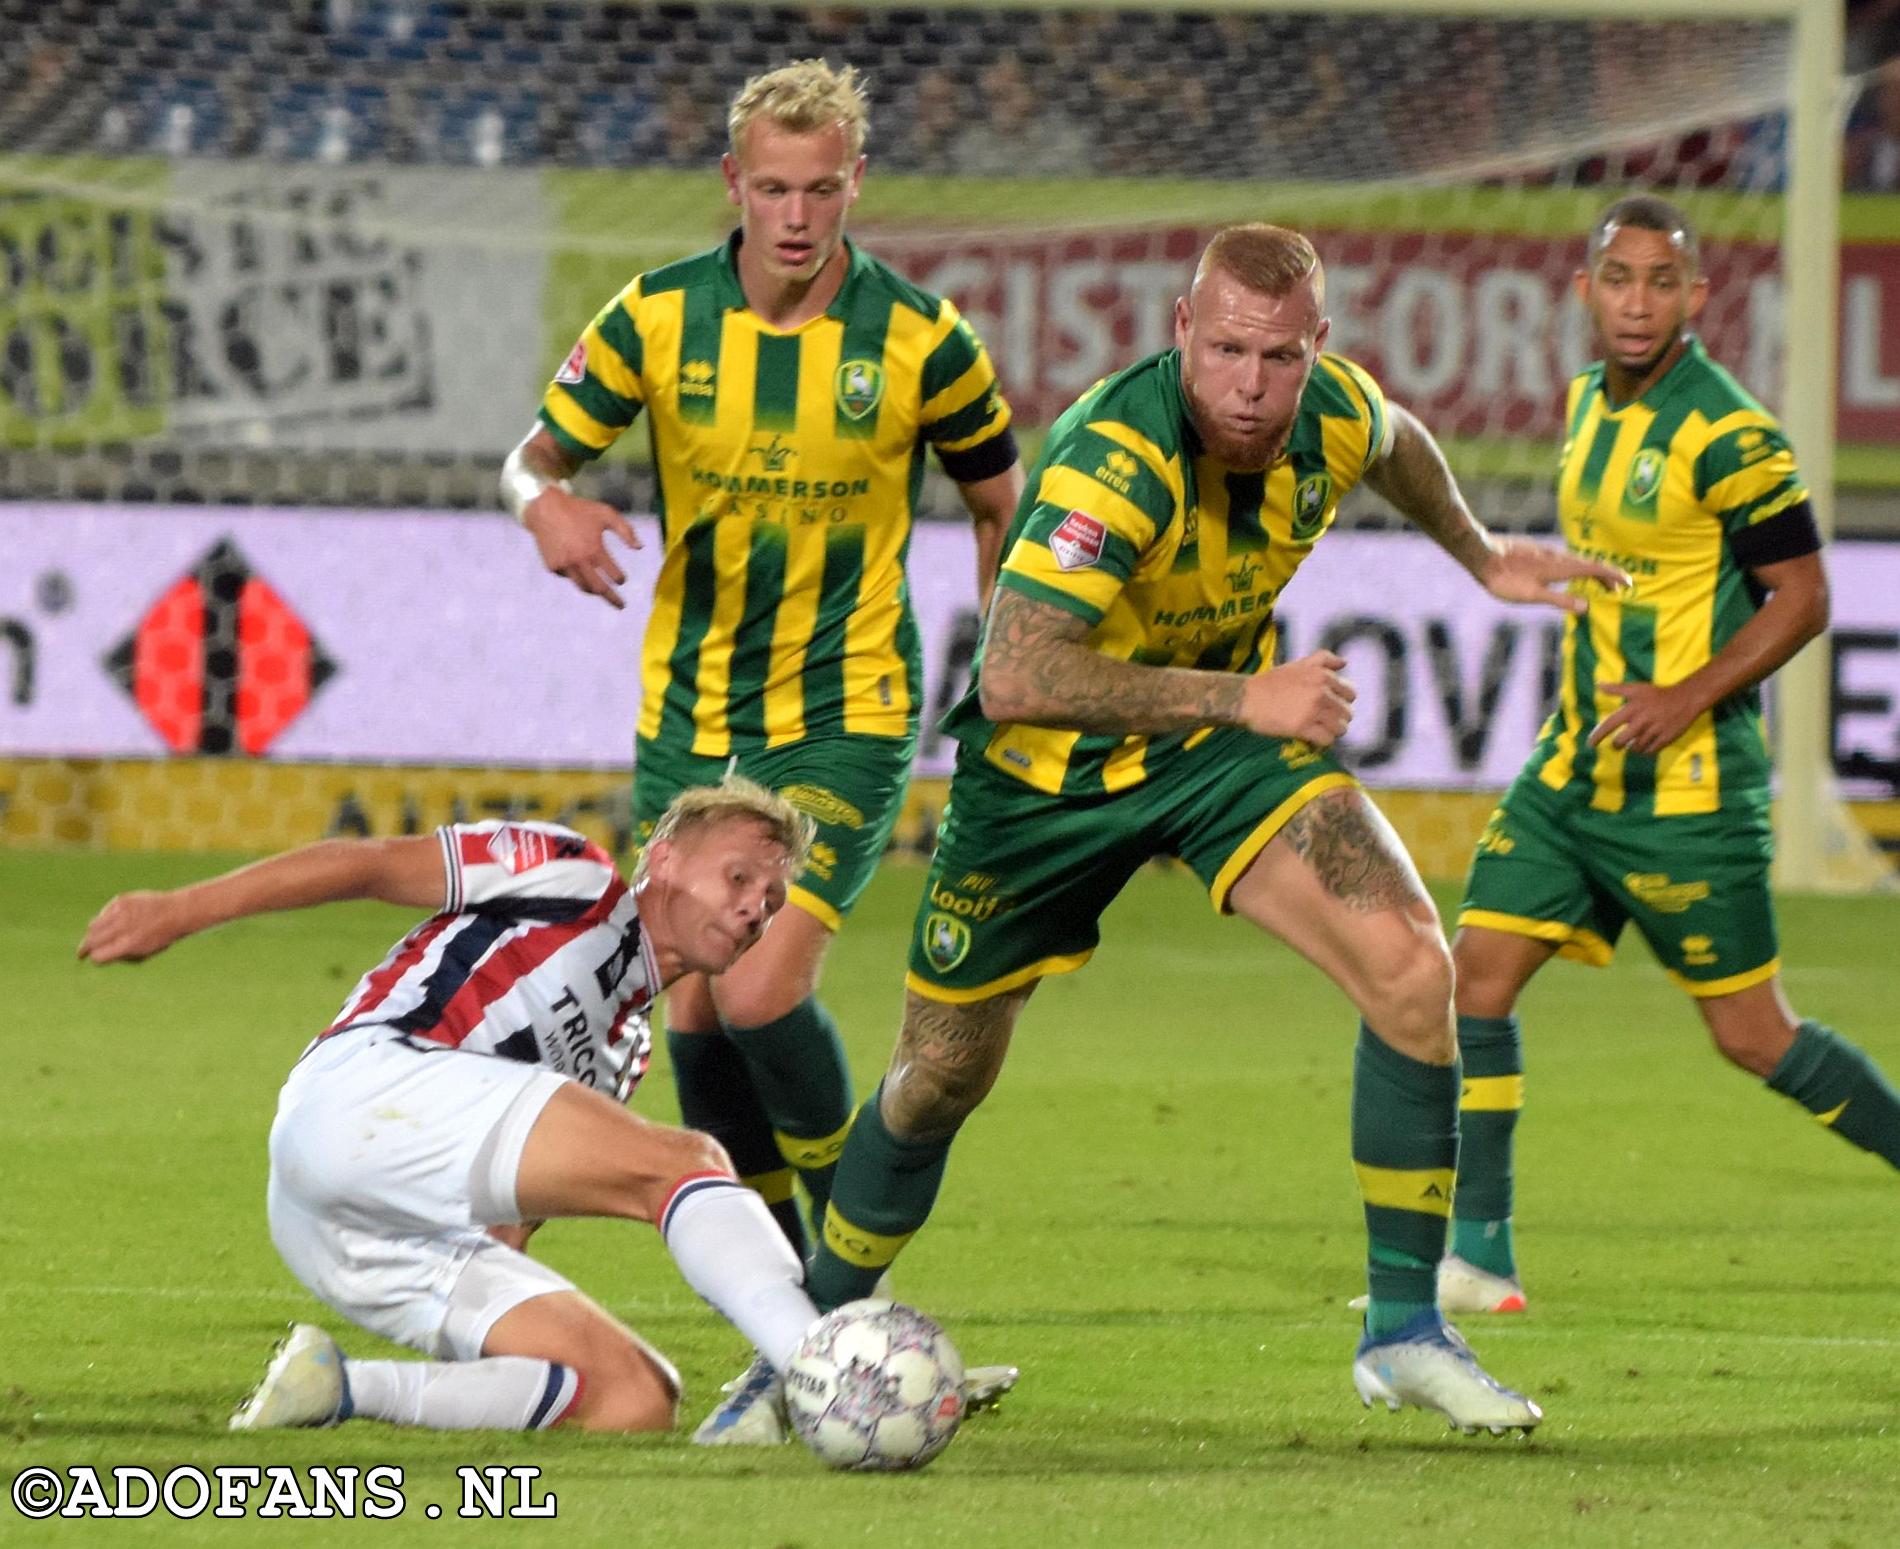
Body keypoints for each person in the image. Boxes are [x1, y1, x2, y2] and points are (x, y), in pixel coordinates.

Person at [796, 222, 1626, 1436]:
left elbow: (1395, 442)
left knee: (1410, 966)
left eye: (1279, 357)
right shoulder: (1115, 461)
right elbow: (1019, 672)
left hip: (1211, 754)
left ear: (1316, 349)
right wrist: (1250, 694)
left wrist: (1483, 554)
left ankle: (1402, 1330)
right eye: (1226, 348)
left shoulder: (1329, 409)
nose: (1250, 384)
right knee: (937, 1080)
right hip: (1041, 784)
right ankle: (797, 1347)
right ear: (1182, 331)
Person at [499, 58, 1024, 1441]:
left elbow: (997, 494)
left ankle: (844, 1290)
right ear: (735, 186)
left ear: (859, 185)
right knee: (685, 1009)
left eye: (823, 189)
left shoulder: (921, 338)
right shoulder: (656, 315)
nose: (797, 217)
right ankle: (800, 1317)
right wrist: (542, 505)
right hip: (691, 717)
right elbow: (530, 461)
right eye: (773, 190)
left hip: (846, 712)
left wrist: (1010, 651)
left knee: (762, 986)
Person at [1440, 194, 1900, 1315]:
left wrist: (1685, 694)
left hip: (1686, 787)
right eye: (1618, 278)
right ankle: (1479, 1258)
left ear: (1697, 297)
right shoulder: (1584, 400)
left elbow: (1804, 598)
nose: (1636, 302)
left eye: (1661, 281)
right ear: (1582, 291)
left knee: (1752, 1036)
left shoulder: (1730, 433)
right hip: (1572, 771)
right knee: (1472, 982)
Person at [78, 779, 833, 1435]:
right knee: (689, 1163)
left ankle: (335, 1383)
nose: (753, 910)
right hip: (364, 1089)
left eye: (769, 901)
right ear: (664, 855)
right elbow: (366, 865)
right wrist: (180, 909)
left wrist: (501, 1316)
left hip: (343, 1233)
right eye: (738, 877)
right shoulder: (574, 876)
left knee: (632, 1395)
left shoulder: (624, 1048)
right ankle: (827, 1373)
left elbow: (505, 1217)